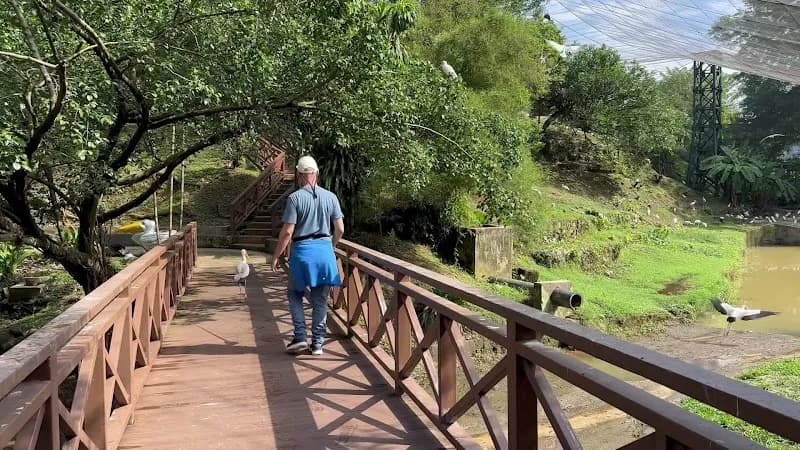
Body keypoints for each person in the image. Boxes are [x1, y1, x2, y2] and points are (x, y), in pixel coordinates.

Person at [271, 155, 345, 355]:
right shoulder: (331, 197)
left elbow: (287, 232)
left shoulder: (295, 198)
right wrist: (331, 245)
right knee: (320, 299)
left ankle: (300, 337)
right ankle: (318, 344)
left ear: (298, 174)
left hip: (303, 252)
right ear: (317, 173)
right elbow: (340, 229)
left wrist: (276, 255)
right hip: (324, 252)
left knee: (295, 293)